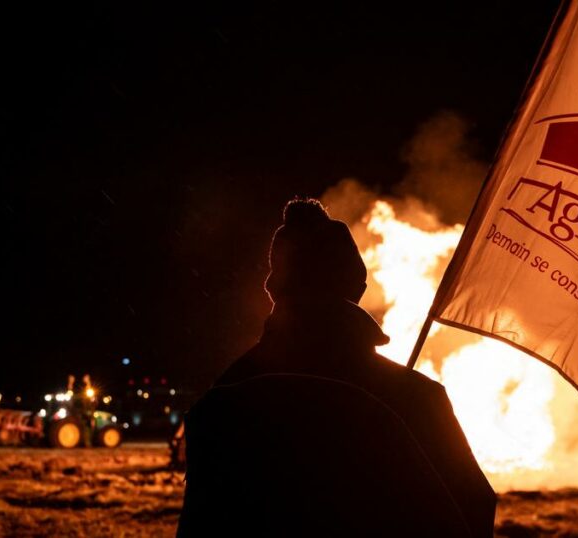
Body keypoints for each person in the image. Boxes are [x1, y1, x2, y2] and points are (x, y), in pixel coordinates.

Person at [177, 198, 496, 537]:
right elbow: (472, 509)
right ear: (355, 287)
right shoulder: (415, 397)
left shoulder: (221, 401)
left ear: (274, 290)